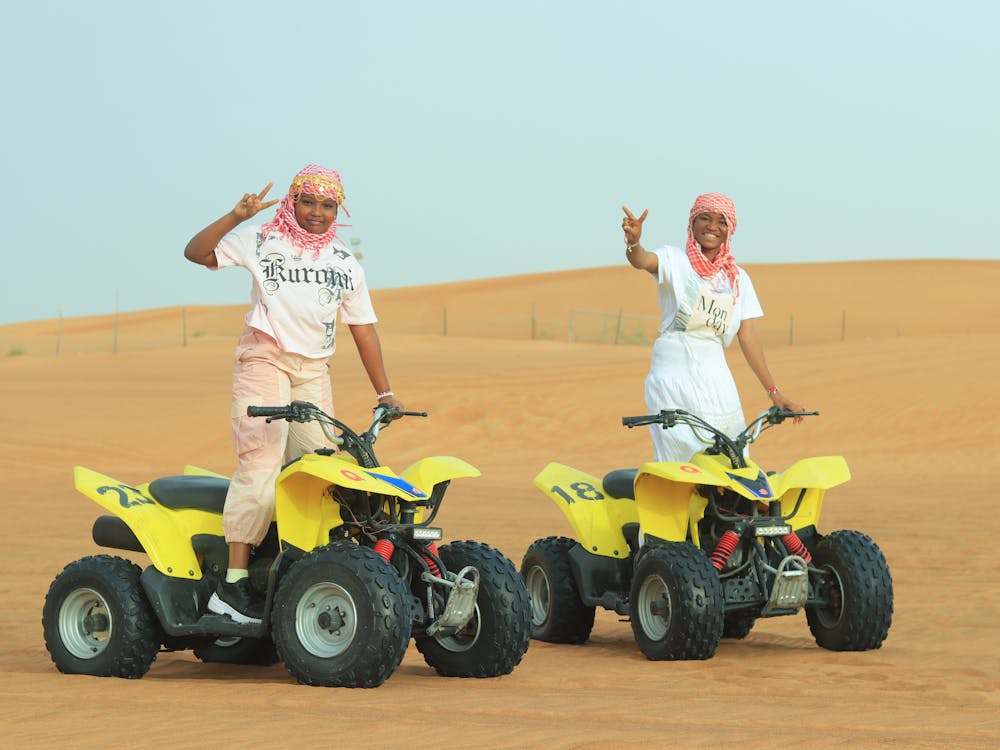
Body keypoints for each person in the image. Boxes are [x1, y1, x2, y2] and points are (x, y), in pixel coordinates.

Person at [184, 163, 402, 624]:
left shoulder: (344, 263)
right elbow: (195, 252)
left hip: (312, 370)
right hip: (264, 359)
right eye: (308, 202)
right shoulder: (263, 239)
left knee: (325, 467)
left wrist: (385, 392)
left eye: (327, 205)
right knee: (261, 463)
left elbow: (363, 329)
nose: (317, 213)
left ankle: (310, 570)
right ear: (293, 201)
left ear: (337, 210)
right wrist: (234, 216)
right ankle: (234, 587)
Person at [621, 192, 804, 464]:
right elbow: (642, 260)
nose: (712, 227)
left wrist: (774, 393)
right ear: (692, 224)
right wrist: (634, 242)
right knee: (684, 462)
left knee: (733, 456)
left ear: (730, 230)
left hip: (716, 377)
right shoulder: (675, 260)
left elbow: (748, 337)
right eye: (704, 218)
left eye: (721, 222)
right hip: (674, 374)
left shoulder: (737, 278)